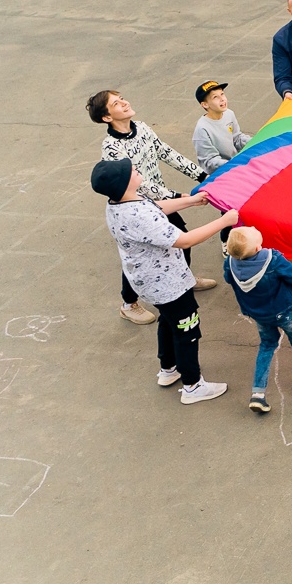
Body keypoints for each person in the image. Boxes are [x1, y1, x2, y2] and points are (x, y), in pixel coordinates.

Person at [91, 159, 237, 404]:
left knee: (169, 322)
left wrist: (191, 200)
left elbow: (156, 207)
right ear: (124, 184)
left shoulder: (121, 203)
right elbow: (185, 240)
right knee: (187, 329)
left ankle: (169, 369)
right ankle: (193, 385)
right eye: (132, 171)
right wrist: (223, 222)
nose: (136, 170)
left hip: (149, 282)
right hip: (167, 284)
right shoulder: (136, 215)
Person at [89, 88, 215, 320]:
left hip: (162, 201)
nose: (125, 103)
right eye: (117, 104)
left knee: (181, 240)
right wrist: (178, 197)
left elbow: (166, 153)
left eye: (122, 99)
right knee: (140, 256)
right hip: (137, 207)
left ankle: (184, 278)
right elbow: (140, 185)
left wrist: (201, 176)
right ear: (107, 117)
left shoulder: (143, 128)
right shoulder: (111, 148)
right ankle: (129, 304)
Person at [224, 226, 292, 414]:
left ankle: (258, 394)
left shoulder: (230, 262)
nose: (252, 226)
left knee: (267, 345)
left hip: (260, 314)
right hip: (285, 311)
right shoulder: (272, 259)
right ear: (259, 247)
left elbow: (228, 279)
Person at [192, 80, 250, 175]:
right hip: (220, 175)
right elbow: (210, 161)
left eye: (222, 94)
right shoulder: (202, 129)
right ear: (205, 104)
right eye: (215, 97)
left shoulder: (229, 114)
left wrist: (255, 141)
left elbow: (237, 138)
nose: (222, 99)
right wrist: (231, 164)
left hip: (236, 166)